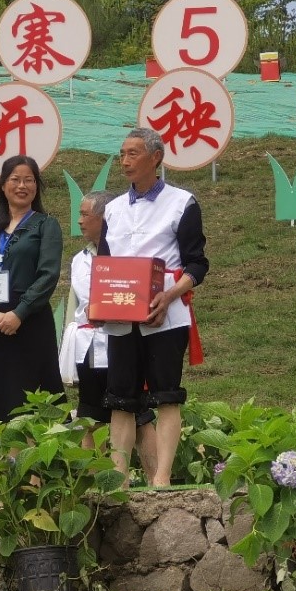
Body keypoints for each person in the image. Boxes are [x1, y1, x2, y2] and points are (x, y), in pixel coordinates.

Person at [101, 128, 209, 487]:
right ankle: (118, 479)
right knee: (120, 398)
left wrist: (170, 295)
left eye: (133, 153)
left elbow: (197, 264)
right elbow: (104, 264)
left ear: (156, 158)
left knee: (166, 395)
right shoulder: (112, 209)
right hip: (120, 314)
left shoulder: (182, 202)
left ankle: (162, 478)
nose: (125, 161)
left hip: (165, 314)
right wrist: (100, 303)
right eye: (122, 154)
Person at [65, 190, 158, 482]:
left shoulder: (127, 253)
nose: (80, 221)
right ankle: (97, 481)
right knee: (90, 416)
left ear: (105, 218)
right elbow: (76, 305)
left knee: (138, 414)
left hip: (122, 342)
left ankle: (156, 480)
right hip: (89, 346)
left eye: (85, 214)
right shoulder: (78, 260)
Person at [0, 155, 64, 422]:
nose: (22, 186)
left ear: (37, 186)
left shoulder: (45, 225)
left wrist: (19, 313)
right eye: (15, 179)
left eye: (29, 180)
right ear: (2, 185)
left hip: (30, 319)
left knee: (33, 393)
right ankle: (0, 448)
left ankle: (40, 448)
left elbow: (48, 274)